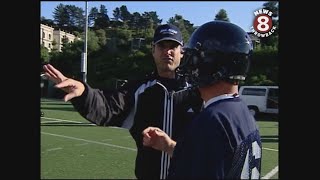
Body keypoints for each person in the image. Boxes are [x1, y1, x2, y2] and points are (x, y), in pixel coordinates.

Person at [43, 24, 203, 179]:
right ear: (153, 50)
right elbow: (107, 107)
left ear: (182, 51)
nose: (167, 52)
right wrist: (84, 93)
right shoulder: (140, 90)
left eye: (173, 46)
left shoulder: (199, 91)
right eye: (162, 46)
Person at [142, 20, 262, 179]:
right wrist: (169, 146)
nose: (190, 66)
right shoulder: (242, 113)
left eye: (194, 59)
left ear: (210, 65)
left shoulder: (211, 121)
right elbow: (212, 159)